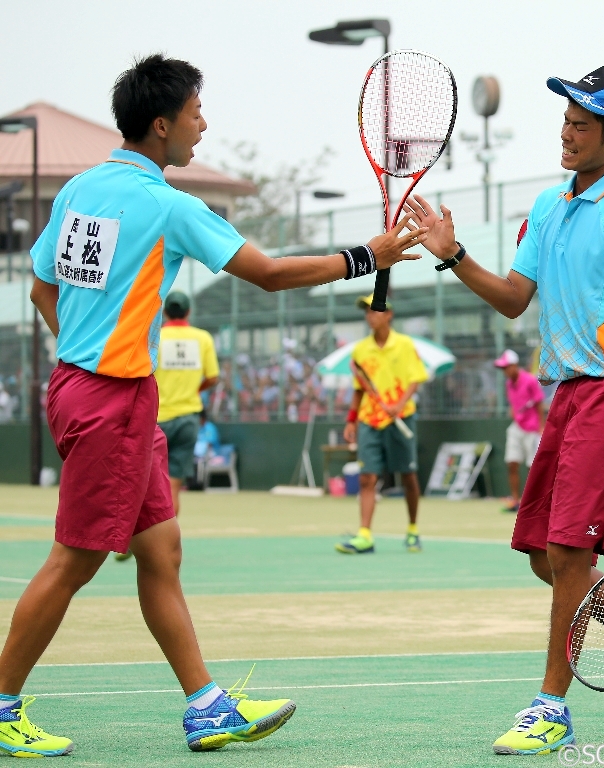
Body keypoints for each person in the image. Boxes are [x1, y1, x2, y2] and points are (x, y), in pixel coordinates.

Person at [2, 54, 425, 758]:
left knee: (160, 551)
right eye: (197, 113)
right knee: (72, 563)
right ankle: (5, 698)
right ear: (161, 124)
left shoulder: (79, 189)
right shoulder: (169, 205)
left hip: (93, 389)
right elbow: (266, 274)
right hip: (110, 399)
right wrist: (365, 255)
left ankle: (206, 706)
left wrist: (83, 352)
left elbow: (44, 286)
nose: (205, 124)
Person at [402, 65, 604, 754]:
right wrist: (452, 254)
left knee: (569, 553)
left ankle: (550, 708)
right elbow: (516, 296)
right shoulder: (547, 206)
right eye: (566, 121)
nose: (567, 133)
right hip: (568, 395)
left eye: (582, 124)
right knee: (549, 561)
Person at [336, 294, 428, 555]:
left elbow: (415, 379)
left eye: (375, 310)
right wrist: (351, 420)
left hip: (402, 417)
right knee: (367, 478)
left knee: (408, 476)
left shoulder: (405, 345)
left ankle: (412, 530)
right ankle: (364, 535)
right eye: (366, 311)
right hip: (369, 420)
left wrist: (398, 405)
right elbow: (359, 388)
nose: (369, 315)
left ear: (389, 314)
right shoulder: (360, 350)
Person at [153, 290, 217, 519]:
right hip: (189, 418)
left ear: (165, 312)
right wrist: (194, 390)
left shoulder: (154, 336)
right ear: (188, 312)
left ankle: (137, 540)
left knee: (146, 484)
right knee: (173, 487)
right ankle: (165, 543)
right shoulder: (202, 338)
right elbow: (213, 377)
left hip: (156, 419)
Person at [495, 349, 545, 513]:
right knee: (512, 462)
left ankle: (532, 502)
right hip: (517, 427)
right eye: (503, 368)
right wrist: (514, 411)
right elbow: (514, 403)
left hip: (532, 429)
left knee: (533, 467)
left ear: (515, 365)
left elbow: (538, 403)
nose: (505, 371)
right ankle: (515, 500)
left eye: (506, 367)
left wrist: (541, 427)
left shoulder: (530, 381)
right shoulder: (508, 383)